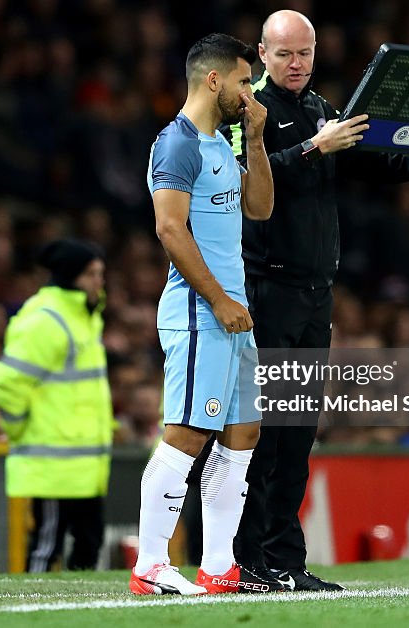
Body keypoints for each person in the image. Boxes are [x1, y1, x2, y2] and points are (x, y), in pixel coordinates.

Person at [219, 10, 409, 591]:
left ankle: (286, 560)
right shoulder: (246, 112)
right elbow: (243, 181)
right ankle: (248, 562)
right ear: (261, 53)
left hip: (314, 294)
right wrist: (315, 147)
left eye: (305, 53)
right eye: (285, 54)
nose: (296, 64)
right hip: (267, 288)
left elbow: (377, 164)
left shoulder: (318, 107)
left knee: (299, 434)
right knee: (263, 433)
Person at [131, 33, 275, 596]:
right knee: (188, 432)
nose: (250, 92)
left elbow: (260, 208)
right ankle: (150, 565)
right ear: (214, 80)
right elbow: (170, 229)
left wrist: (258, 142)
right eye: (244, 81)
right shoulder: (178, 144)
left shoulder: (222, 144)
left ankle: (218, 567)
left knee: (243, 433)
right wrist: (218, 300)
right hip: (200, 311)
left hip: (231, 315)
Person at [0, 239, 114, 572]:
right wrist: (17, 427)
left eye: (101, 273)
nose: (99, 281)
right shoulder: (47, 320)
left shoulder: (83, 316)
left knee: (88, 545)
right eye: (91, 274)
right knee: (46, 548)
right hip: (54, 462)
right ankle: (30, 615)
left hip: (83, 463)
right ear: (71, 276)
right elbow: (6, 382)